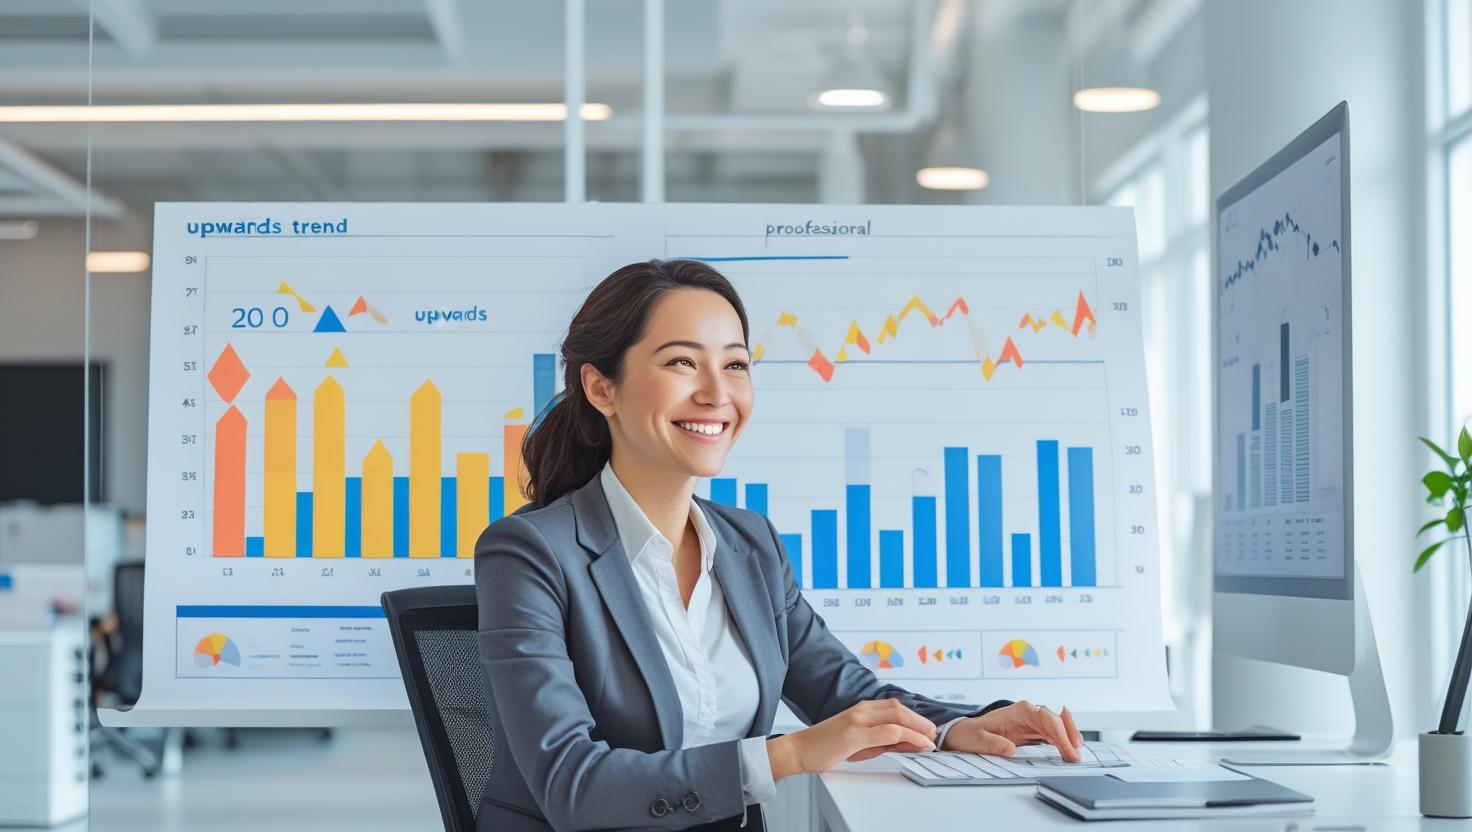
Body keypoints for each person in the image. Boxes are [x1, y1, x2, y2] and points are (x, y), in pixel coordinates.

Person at [474, 259, 1086, 832]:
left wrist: (962, 727)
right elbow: (570, 783)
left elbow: (847, 693)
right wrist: (788, 753)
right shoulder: (530, 553)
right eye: (683, 363)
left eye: (735, 364)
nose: (718, 393)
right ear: (601, 389)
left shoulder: (750, 545)